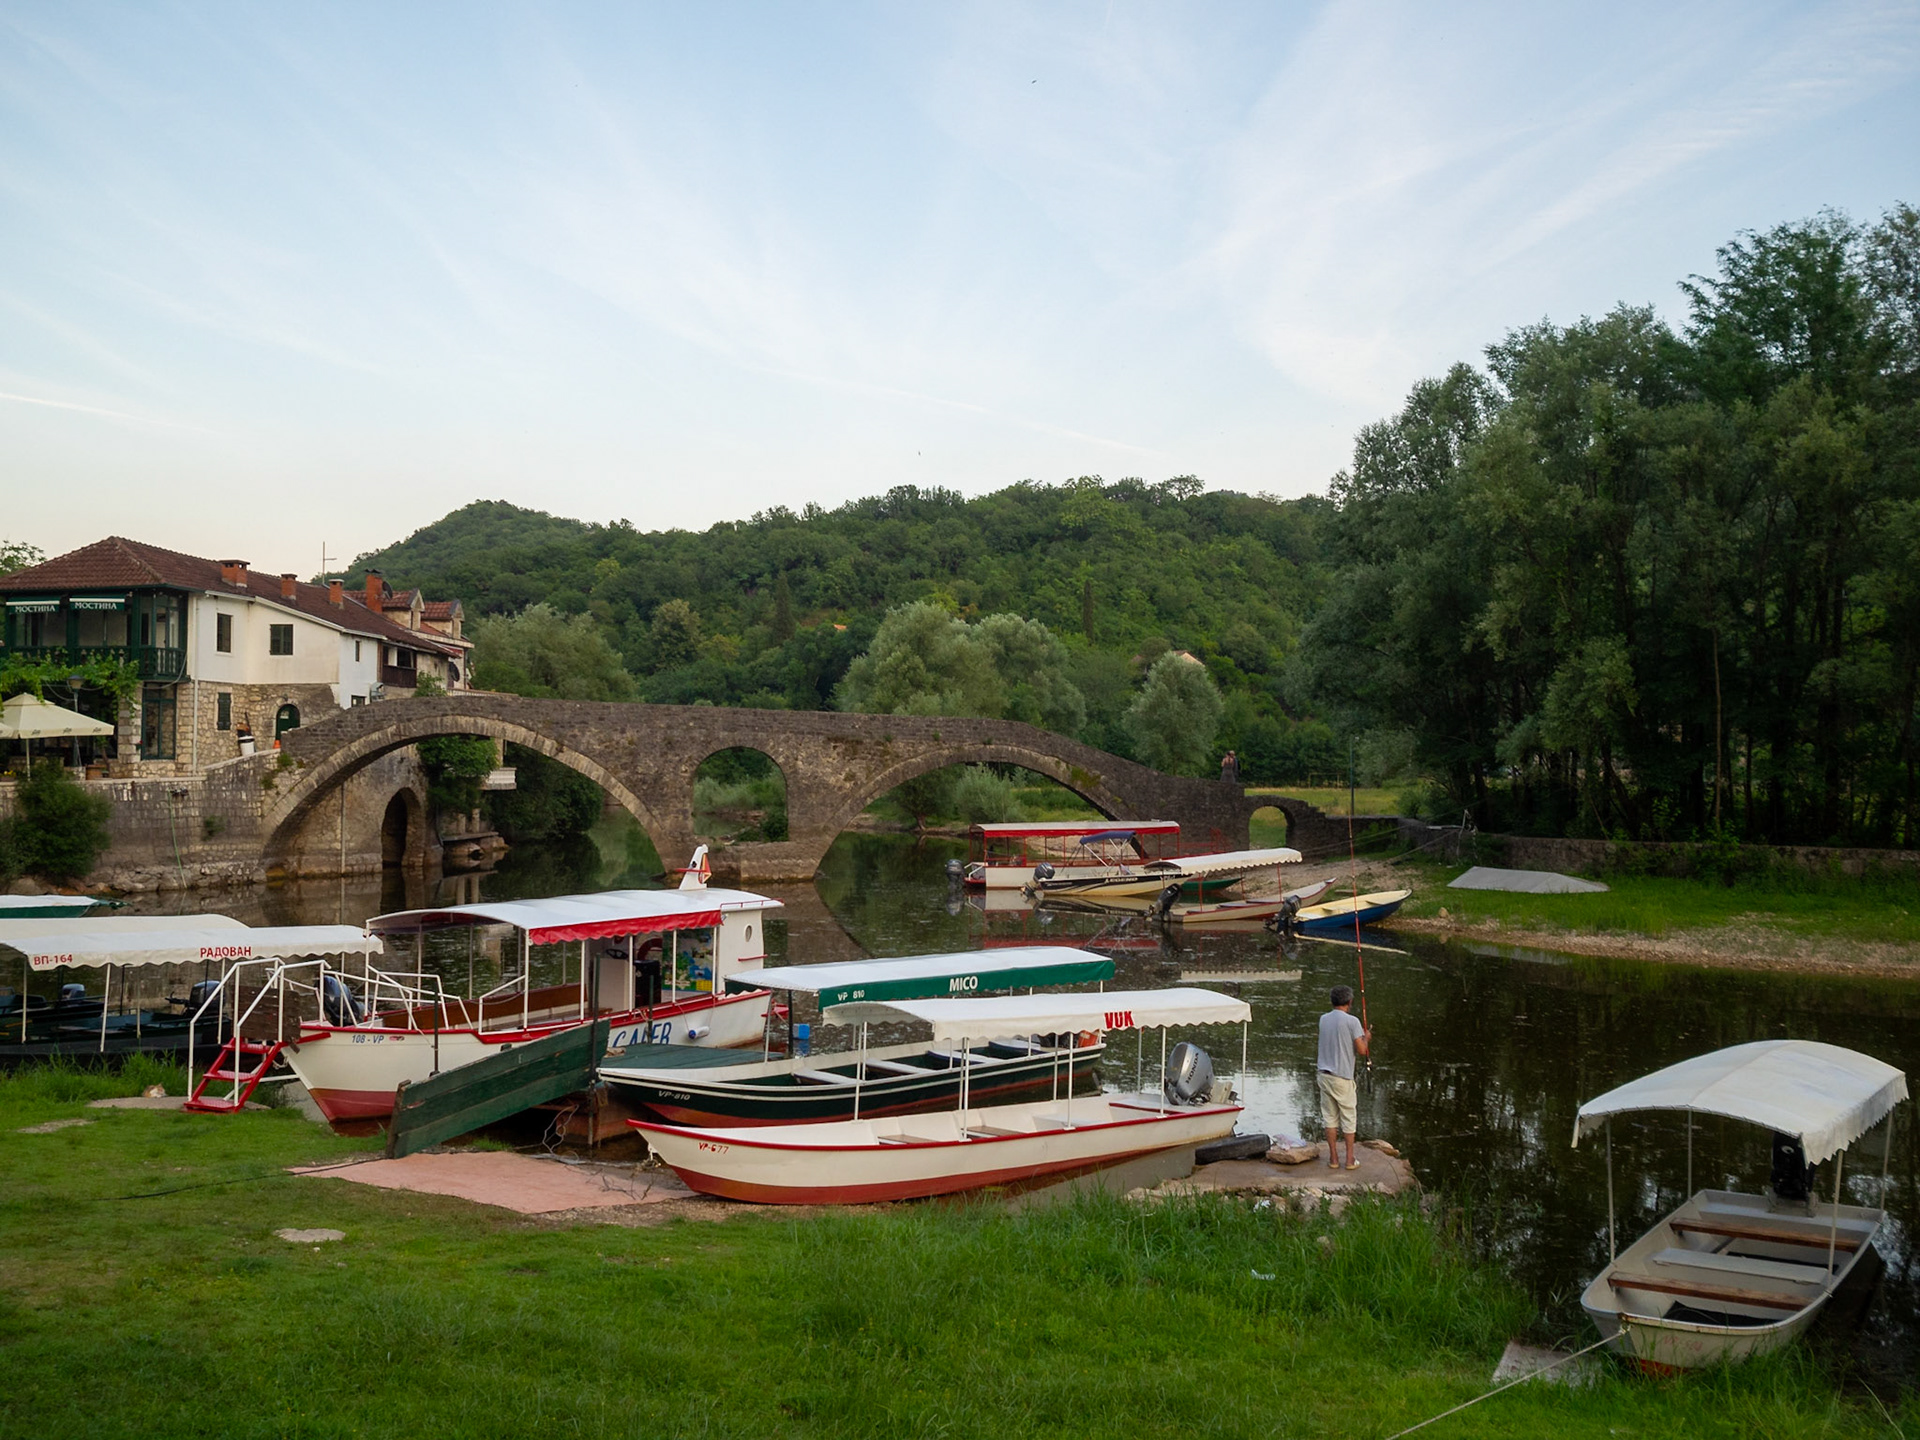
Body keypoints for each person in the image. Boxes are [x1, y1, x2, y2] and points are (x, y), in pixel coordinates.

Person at [1317, 984, 1371, 1169]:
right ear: (1350, 1001)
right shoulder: (1352, 1021)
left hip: (1323, 1075)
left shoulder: (1323, 1019)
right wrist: (1366, 1037)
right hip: (1342, 1077)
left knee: (1330, 1118)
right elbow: (1362, 1050)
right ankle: (1349, 1160)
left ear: (1332, 1001)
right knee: (1348, 1118)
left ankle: (1333, 1159)